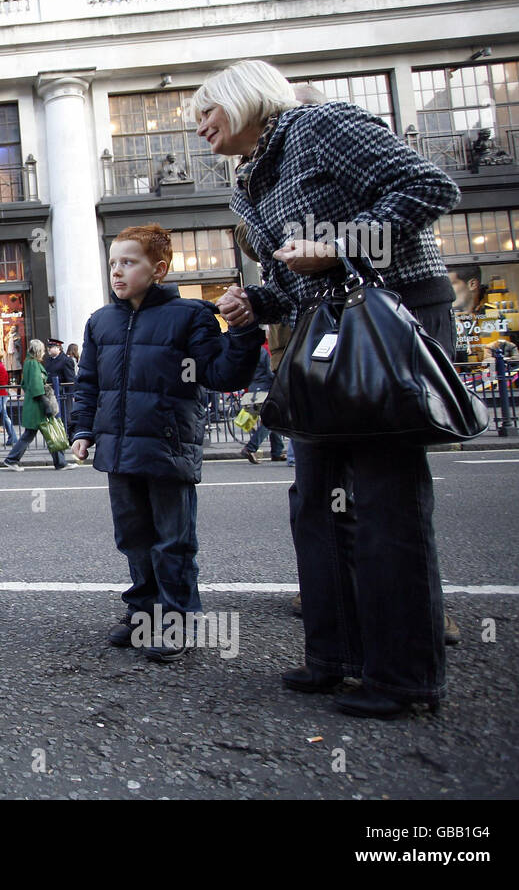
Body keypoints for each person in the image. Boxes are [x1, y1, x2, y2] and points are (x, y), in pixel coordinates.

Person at [201, 59, 461, 717]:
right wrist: (254, 303)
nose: (197, 126)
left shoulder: (318, 126)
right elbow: (296, 281)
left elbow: (428, 187)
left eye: (206, 110)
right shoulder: (247, 184)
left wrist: (338, 242)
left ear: (244, 98)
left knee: (384, 500)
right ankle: (335, 658)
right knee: (316, 500)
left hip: (389, 319)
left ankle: (403, 678)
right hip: (325, 328)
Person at [70, 224, 262, 662]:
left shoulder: (190, 315)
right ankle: (144, 611)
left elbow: (221, 374)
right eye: (113, 262)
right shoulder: (101, 321)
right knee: (134, 537)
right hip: (118, 449)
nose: (117, 272)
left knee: (173, 540)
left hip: (168, 445)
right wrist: (83, 431)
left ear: (159, 269)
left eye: (129, 262)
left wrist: (245, 332)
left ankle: (178, 620)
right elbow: (89, 384)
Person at [2, 341, 70, 471]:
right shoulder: (33, 364)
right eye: (43, 350)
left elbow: (25, 384)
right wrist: (46, 404)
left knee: (43, 433)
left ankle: (60, 462)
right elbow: (36, 386)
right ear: (38, 351)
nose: (44, 352)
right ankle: (12, 459)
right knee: (44, 433)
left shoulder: (29, 363)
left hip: (34, 403)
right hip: (37, 405)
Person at [239, 344, 285, 463]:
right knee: (272, 420)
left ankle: (277, 451)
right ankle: (251, 448)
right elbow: (270, 371)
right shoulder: (262, 351)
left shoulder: (245, 351)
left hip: (253, 389)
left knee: (273, 419)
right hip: (265, 389)